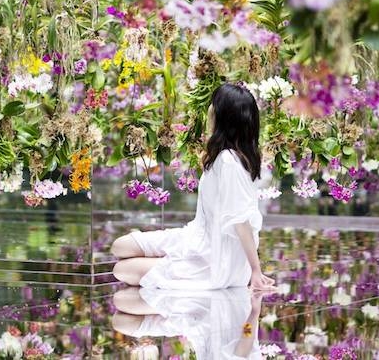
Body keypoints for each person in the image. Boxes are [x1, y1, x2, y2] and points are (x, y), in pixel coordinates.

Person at [110, 83, 276, 291]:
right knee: (121, 246)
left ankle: (169, 283)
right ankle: (168, 266)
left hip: (214, 258)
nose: (209, 110)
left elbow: (241, 220)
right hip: (195, 238)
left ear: (223, 116)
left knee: (123, 270)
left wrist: (255, 271)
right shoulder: (226, 157)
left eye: (213, 105)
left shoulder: (228, 161)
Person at [111, 286, 263, 359]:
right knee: (121, 301)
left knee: (120, 322)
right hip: (204, 310)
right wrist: (254, 313)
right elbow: (246, 336)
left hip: (188, 327)